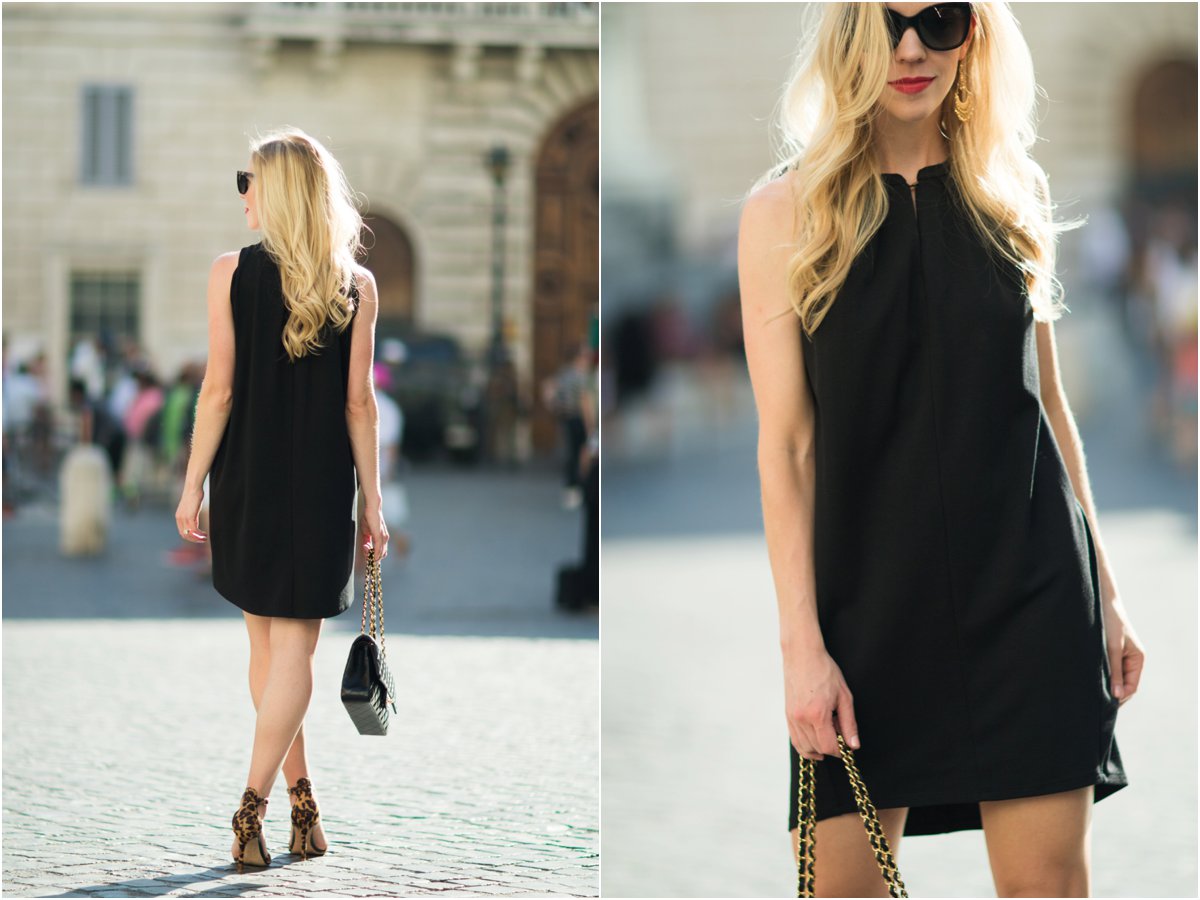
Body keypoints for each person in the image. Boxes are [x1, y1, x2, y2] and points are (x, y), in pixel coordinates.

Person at [737, 4, 1144, 896]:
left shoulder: (1012, 191)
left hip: (1030, 595)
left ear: (976, 38)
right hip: (863, 614)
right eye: (889, 23)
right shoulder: (784, 212)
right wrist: (801, 649)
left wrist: (1106, 593)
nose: (913, 47)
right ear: (850, 36)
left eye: (942, 21)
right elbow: (789, 446)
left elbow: (1050, 407)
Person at [174, 127, 389, 872]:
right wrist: (373, 504)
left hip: (245, 479)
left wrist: (194, 480)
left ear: (278, 192)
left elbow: (220, 390)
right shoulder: (353, 284)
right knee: (287, 651)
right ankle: (278, 809)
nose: (243, 193)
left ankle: (274, 808)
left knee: (268, 650)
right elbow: (359, 406)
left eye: (250, 179)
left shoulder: (229, 273)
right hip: (321, 485)